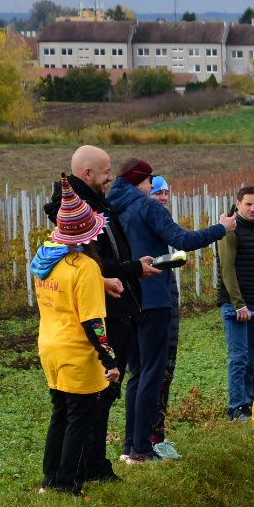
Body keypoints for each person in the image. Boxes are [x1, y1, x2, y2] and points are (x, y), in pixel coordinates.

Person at [108, 158, 232, 463]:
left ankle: (130, 446)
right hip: (154, 297)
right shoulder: (147, 207)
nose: (153, 186)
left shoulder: (113, 208)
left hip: (128, 298)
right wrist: (222, 228)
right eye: (150, 180)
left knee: (137, 373)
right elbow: (182, 240)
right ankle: (142, 449)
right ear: (140, 180)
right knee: (153, 372)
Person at [48, 145, 156, 482]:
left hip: (78, 330)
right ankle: (77, 472)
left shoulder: (94, 202)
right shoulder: (76, 214)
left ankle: (70, 472)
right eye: (107, 171)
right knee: (91, 399)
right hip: (98, 320)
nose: (112, 177)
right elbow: (88, 263)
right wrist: (126, 271)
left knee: (86, 403)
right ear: (87, 173)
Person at [32, 183, 118, 495]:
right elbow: (93, 322)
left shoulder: (45, 257)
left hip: (49, 346)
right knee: (80, 418)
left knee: (60, 414)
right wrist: (109, 358)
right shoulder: (85, 268)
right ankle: (67, 483)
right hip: (76, 352)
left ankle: (51, 477)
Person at [217, 186, 254, 420]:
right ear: (238, 203)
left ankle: (248, 401)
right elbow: (227, 269)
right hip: (236, 306)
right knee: (239, 357)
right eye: (248, 204)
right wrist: (238, 304)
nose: (253, 209)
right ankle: (237, 406)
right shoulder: (230, 231)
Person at [146, 175, 184, 460]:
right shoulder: (145, 226)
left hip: (169, 308)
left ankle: (158, 435)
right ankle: (147, 439)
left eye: (165, 193)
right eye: (156, 193)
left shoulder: (161, 228)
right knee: (152, 377)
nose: (162, 198)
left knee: (166, 376)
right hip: (154, 310)